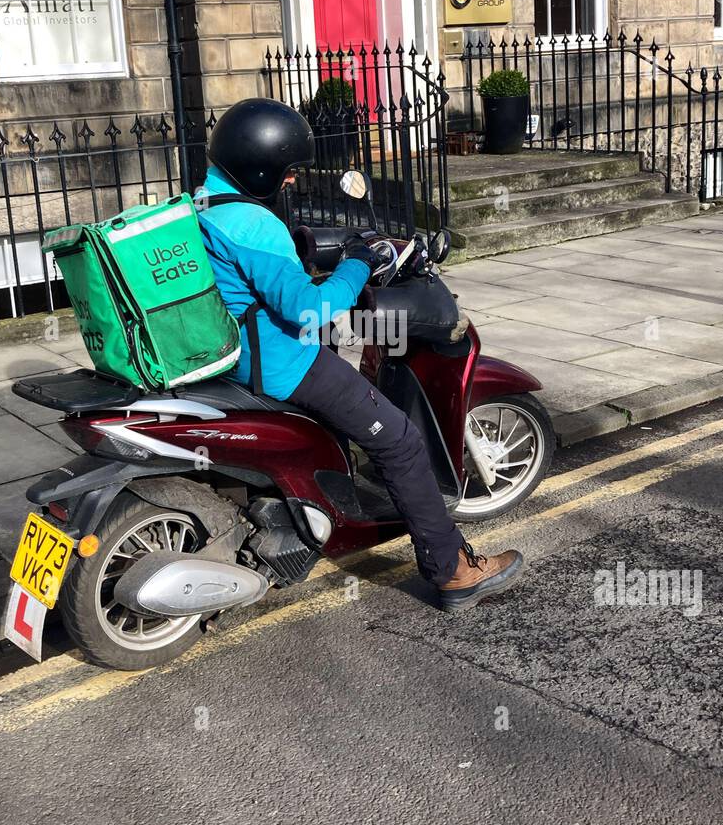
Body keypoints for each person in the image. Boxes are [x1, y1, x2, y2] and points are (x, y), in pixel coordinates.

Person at [194, 97, 523, 610]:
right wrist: (357, 265)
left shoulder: (204, 203)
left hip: (235, 353)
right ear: (260, 164)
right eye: (287, 170)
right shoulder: (254, 224)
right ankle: (452, 570)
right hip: (283, 363)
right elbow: (309, 312)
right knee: (400, 441)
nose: (291, 181)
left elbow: (257, 283)